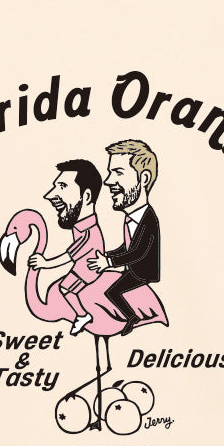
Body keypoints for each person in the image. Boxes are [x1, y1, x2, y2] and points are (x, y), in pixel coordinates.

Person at [88, 138, 161, 337]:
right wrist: (107, 255)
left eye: (118, 172)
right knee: (107, 290)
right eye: (110, 172)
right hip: (133, 268)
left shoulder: (148, 220)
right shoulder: (130, 218)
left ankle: (132, 317)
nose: (108, 181)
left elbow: (138, 252)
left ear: (143, 179)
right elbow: (127, 246)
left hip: (143, 272)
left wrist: (109, 262)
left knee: (112, 292)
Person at [28, 159, 105, 336]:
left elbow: (69, 256)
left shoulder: (88, 234)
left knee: (65, 288)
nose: (49, 195)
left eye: (62, 186)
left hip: (88, 270)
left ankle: (83, 315)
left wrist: (45, 263)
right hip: (82, 267)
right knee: (63, 288)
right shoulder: (81, 227)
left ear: (86, 197)